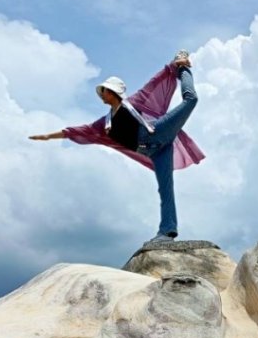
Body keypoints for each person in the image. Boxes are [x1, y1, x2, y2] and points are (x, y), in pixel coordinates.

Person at [29, 52, 204, 242]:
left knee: (191, 100)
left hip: (158, 132)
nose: (101, 95)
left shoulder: (133, 103)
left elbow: (154, 83)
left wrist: (174, 65)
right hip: (153, 150)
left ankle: (184, 69)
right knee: (165, 188)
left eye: (103, 91)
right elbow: (78, 131)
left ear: (111, 92)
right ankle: (168, 231)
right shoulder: (104, 124)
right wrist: (49, 136)